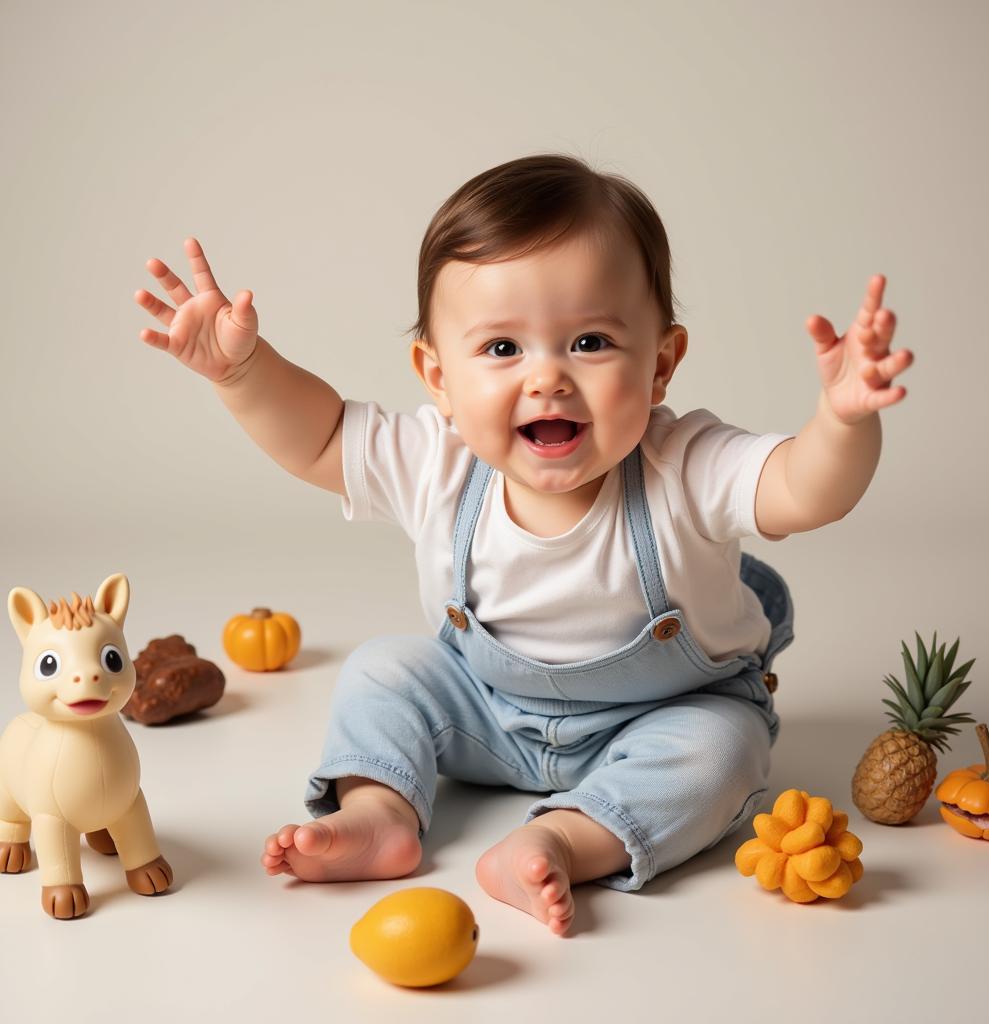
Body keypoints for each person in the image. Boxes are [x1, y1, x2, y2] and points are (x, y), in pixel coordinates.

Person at [134, 154, 911, 936]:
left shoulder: (685, 465)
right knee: (383, 671)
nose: (547, 378)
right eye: (503, 349)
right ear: (436, 375)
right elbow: (323, 435)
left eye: (592, 342)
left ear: (661, 365)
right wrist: (241, 373)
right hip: (487, 712)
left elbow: (801, 489)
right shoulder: (436, 459)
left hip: (658, 717)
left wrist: (843, 424)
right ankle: (379, 813)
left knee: (723, 749)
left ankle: (565, 839)